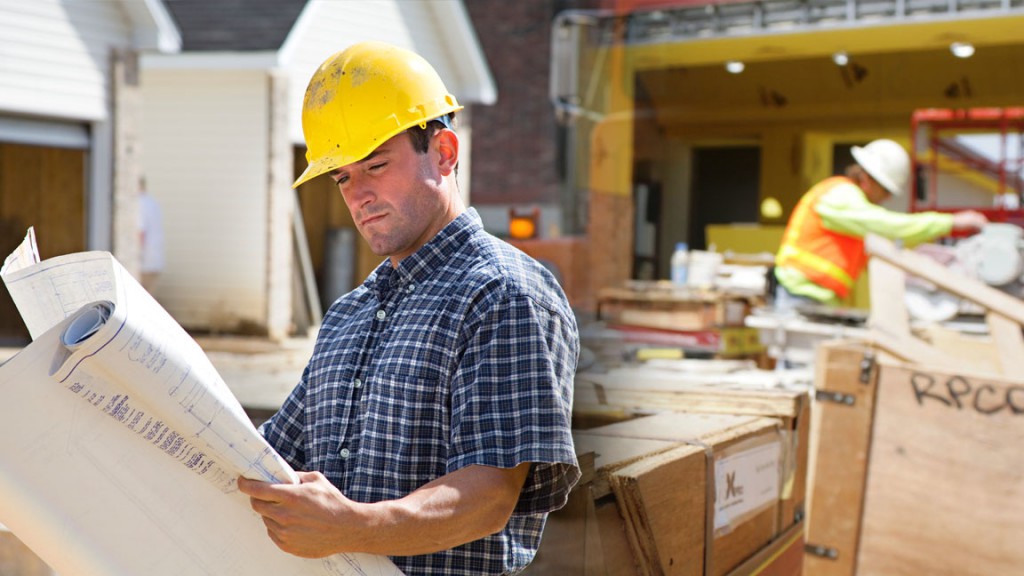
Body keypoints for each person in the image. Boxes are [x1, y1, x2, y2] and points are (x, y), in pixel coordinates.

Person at [236, 41, 580, 575]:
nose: (357, 196)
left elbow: (488, 497)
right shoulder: (350, 314)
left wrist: (354, 526)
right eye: (344, 177)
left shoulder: (503, 295)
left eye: (375, 165)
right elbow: (272, 452)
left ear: (443, 151)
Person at [773, 138, 988, 311]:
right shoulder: (840, 195)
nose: (886, 198)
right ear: (867, 178)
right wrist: (950, 222)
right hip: (800, 293)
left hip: (817, 296)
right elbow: (888, 225)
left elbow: (879, 252)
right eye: (885, 190)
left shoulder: (852, 206)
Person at [138, 176, 165, 292]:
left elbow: (140, 232)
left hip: (144, 263)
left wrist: (138, 256)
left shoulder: (139, 203)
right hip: (155, 260)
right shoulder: (152, 202)